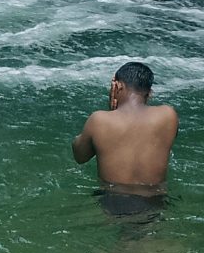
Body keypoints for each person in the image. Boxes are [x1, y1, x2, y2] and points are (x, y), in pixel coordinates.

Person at [72, 62, 179, 213]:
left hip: (113, 200)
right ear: (150, 93)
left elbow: (80, 156)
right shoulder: (168, 115)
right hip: (155, 199)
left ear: (117, 87)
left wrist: (112, 110)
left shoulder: (99, 120)